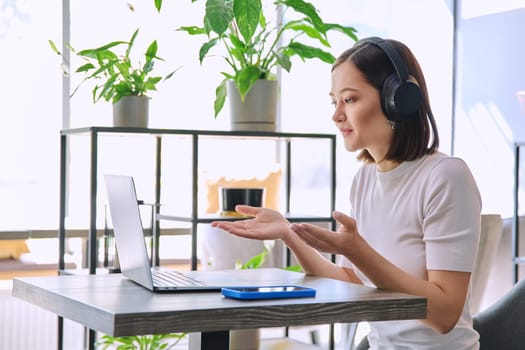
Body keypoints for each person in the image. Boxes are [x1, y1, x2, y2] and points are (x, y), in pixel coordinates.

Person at [211, 37, 481, 349]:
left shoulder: (445, 177)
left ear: (399, 99)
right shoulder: (365, 180)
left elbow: (445, 315)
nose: (336, 115)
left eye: (350, 100)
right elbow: (353, 281)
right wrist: (288, 234)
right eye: (334, 102)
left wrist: (357, 251)